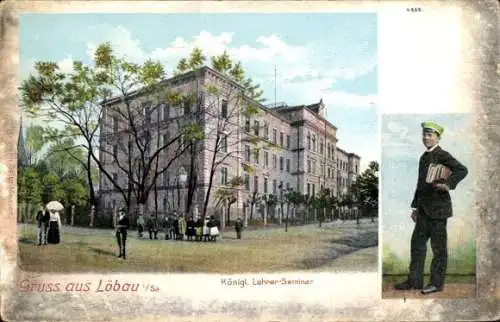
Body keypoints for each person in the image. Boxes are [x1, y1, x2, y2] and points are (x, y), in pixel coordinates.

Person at [394, 121, 468, 295]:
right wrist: (414, 207)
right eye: (424, 135)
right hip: (423, 210)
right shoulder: (424, 157)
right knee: (417, 245)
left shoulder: (443, 154)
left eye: (430, 135)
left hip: (438, 211)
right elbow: (420, 185)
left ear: (438, 137)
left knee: (438, 249)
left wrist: (448, 185)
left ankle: (436, 283)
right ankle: (415, 281)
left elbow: (462, 170)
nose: (426, 138)